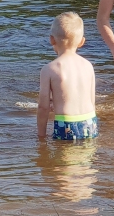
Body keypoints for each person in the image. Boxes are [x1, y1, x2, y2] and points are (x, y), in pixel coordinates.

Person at [37, 12, 98, 141]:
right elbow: (92, 101)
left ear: (51, 39)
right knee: (86, 158)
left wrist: (41, 136)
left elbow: (43, 107)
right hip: (90, 121)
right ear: (82, 42)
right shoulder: (88, 65)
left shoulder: (49, 69)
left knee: (64, 159)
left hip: (66, 123)